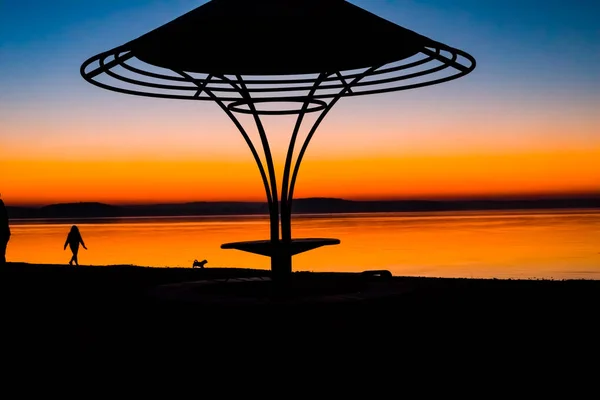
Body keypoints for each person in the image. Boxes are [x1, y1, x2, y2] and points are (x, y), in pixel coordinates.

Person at [0, 198, 10, 266]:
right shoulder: (1, 204)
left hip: (3, 232)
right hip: (4, 232)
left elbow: (5, 219)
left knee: (1, 251)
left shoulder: (0, 204)